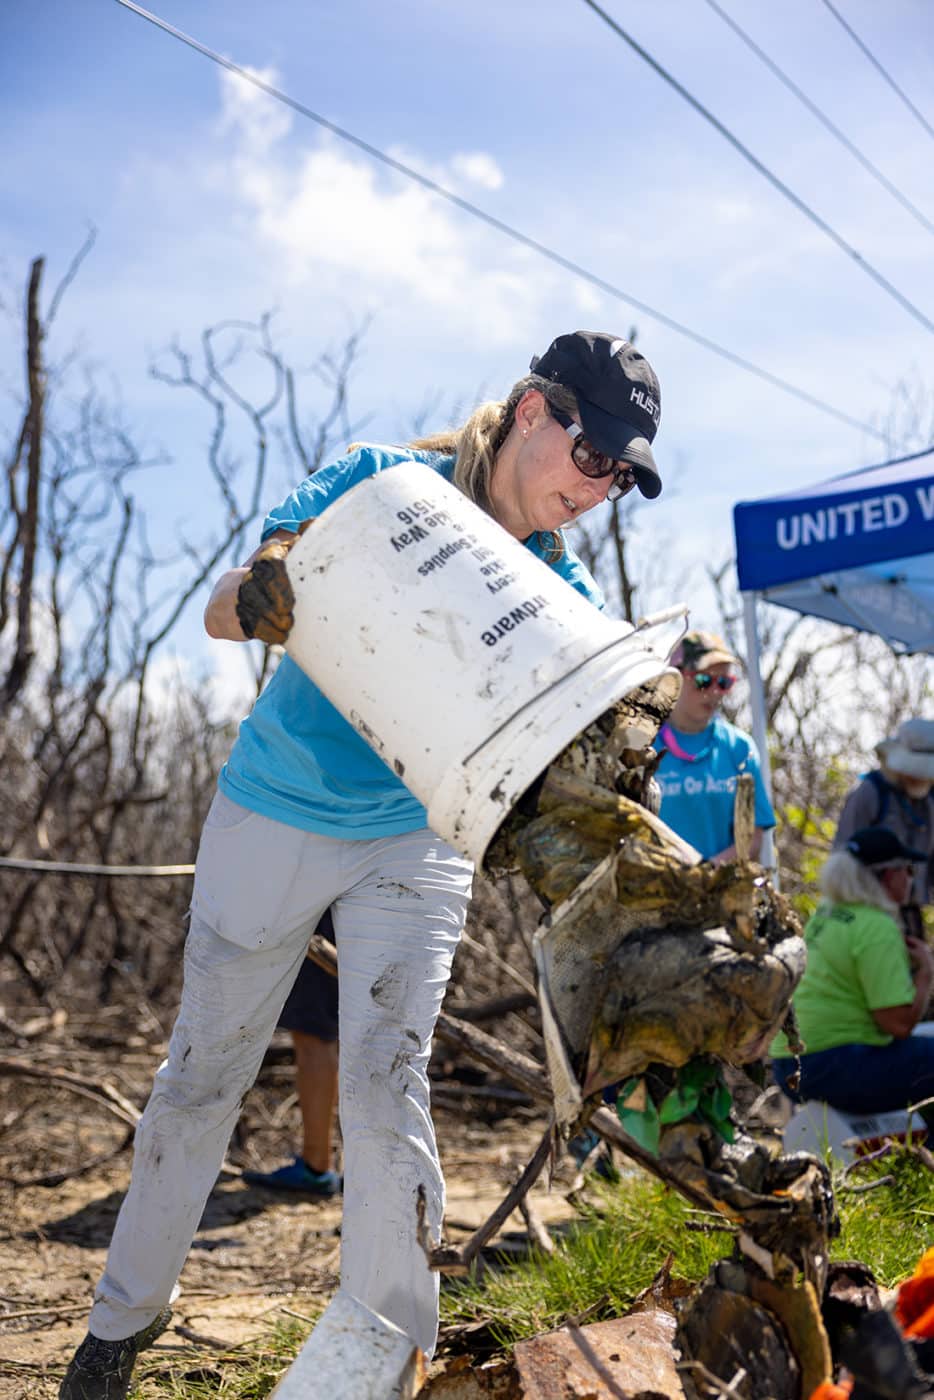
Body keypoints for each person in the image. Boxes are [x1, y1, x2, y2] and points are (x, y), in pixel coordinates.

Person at [61, 329, 666, 1398]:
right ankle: (122, 1322)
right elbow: (222, 605)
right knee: (205, 1071)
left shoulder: (553, 590)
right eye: (594, 453)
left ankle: (385, 1350)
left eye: (620, 475)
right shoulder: (380, 484)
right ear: (534, 409)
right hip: (278, 810)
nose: (600, 486)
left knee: (390, 1079)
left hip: (415, 841)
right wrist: (264, 594)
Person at [771, 827, 934, 1128]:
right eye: (907, 870)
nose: (912, 879)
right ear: (887, 877)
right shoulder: (875, 926)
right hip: (834, 1064)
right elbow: (897, 1024)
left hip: (788, 1067)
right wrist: (925, 972)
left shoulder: (827, 913)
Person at [242, 908, 341, 1197]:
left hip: (321, 910)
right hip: (357, 906)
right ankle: (328, 1165)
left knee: (314, 1036)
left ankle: (316, 1167)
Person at [653, 629, 775, 862]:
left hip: (719, 890)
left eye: (724, 682)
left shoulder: (739, 749)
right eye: (703, 681)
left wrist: (706, 876)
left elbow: (750, 837)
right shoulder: (642, 745)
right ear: (673, 678)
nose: (715, 692)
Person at [834, 719, 934, 939]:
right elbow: (843, 856)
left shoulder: (929, 800)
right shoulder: (869, 792)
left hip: (909, 911)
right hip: (868, 910)